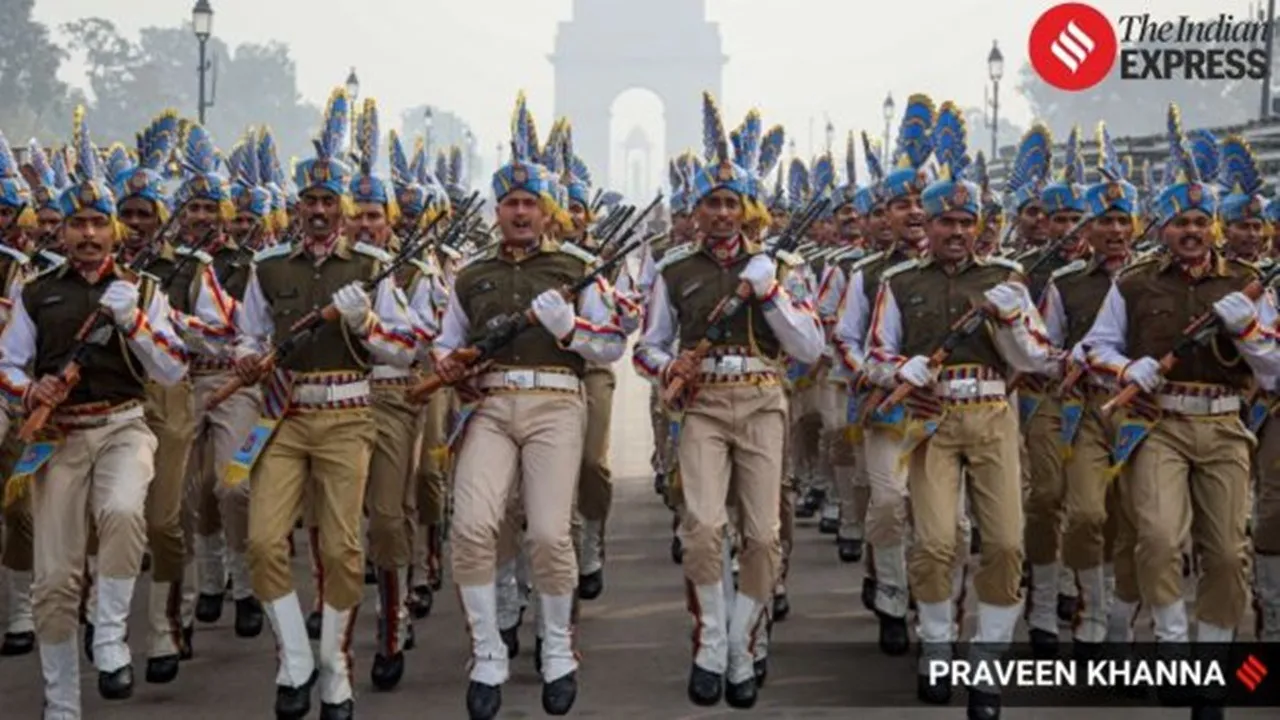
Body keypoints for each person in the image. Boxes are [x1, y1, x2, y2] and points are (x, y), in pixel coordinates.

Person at [429, 92, 626, 720]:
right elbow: (446, 340)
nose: (520, 212)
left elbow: (612, 344)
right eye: (511, 202)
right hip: (489, 405)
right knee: (471, 526)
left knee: (546, 532)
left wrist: (570, 329)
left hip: (555, 402)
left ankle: (559, 650)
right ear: (497, 210)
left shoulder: (580, 267)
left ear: (547, 211)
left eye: (530, 203)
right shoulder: (471, 273)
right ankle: (487, 653)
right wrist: (448, 364)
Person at [864, 101, 1063, 719]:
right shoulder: (900, 281)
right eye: (945, 220)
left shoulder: (1008, 276)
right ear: (925, 224)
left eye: (965, 221)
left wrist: (1013, 321)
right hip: (932, 420)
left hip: (994, 415)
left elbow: (1038, 358)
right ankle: (936, 645)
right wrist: (900, 369)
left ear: (980, 226)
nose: (955, 231)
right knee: (935, 541)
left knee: (1004, 542)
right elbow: (875, 353)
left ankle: (988, 661)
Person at [1080, 104, 1280, 716]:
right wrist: (1127, 369)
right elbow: (1096, 346)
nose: (1191, 231)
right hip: (1158, 423)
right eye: (1180, 222)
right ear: (1162, 228)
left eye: (1200, 221)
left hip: (1224, 423)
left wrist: (1251, 334)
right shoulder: (1136, 282)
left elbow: (1275, 370)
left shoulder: (1248, 282)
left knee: (1226, 552)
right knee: (1160, 539)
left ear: (1213, 226)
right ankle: (1171, 646)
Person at [233, 88, 420, 720]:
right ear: (297, 205)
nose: (318, 210)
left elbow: (406, 350)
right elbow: (247, 334)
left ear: (342, 206)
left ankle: (335, 668)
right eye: (309, 200)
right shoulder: (268, 267)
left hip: (347, 415)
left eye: (328, 200)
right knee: (264, 543)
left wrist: (367, 323)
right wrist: (247, 356)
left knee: (342, 549)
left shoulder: (373, 266)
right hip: (283, 415)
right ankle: (295, 660)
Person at [634, 94, 823, 709]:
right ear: (695, 210)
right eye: (711, 203)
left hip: (763, 400)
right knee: (703, 529)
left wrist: (771, 297)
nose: (720, 214)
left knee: (763, 536)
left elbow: (810, 346)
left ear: (748, 209)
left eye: (731, 203)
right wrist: (670, 367)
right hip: (703, 405)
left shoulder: (780, 268)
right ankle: (712, 641)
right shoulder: (674, 268)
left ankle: (746, 640)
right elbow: (647, 347)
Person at [0, 107, 188, 717]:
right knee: (54, 582)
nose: (87, 234)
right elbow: (7, 363)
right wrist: (32, 393)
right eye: (76, 223)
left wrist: (133, 322)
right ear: (60, 232)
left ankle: (110, 639)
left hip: (123, 427)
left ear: (114, 231)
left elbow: (173, 369)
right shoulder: (36, 291)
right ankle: (62, 703)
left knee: (123, 511)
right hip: (58, 438)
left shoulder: (143, 290)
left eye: (97, 223)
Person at [1037, 123, 1140, 653]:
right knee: (1085, 514)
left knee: (1135, 521)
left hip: (1146, 413)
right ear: (1089, 228)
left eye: (1123, 219)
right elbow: (1043, 348)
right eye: (1105, 220)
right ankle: (1090, 605)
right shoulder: (1066, 282)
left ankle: (1118, 620)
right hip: (1086, 409)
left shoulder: (1153, 278)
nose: (1115, 230)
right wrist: (1068, 360)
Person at [1017, 126, 1089, 656]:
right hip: (1041, 391)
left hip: (1098, 397)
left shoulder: (1113, 273)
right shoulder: (1020, 271)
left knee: (1089, 504)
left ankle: (1076, 590)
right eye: (1056, 218)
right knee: (1045, 494)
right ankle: (1042, 601)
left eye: (1073, 219)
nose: (1064, 228)